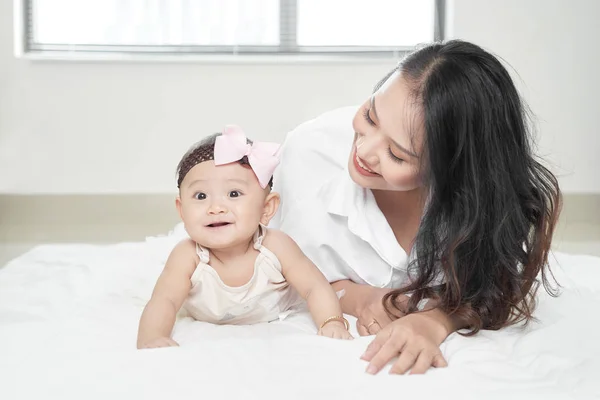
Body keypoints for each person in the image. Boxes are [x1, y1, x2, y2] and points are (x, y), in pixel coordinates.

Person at [271, 40, 561, 375]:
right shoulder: (309, 155)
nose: (364, 150)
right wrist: (358, 298)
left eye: (397, 155)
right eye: (370, 115)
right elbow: (279, 277)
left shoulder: (480, 204)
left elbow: (495, 287)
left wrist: (435, 321)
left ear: (450, 170)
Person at [137, 126, 352, 349]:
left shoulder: (276, 247)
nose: (216, 207)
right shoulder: (187, 256)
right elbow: (165, 300)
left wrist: (332, 321)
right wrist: (153, 336)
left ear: (266, 208)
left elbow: (314, 287)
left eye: (234, 194)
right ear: (182, 211)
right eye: (201, 196)